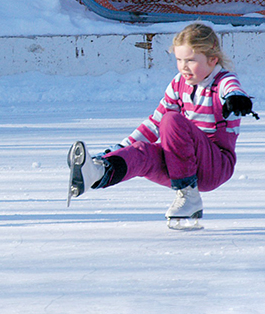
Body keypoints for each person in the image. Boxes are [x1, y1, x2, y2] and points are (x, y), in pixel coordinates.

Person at [66, 23, 256, 227]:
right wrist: (116, 150)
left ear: (212, 60)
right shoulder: (178, 83)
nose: (183, 66)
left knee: (172, 120)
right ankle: (99, 172)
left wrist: (236, 99)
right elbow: (154, 124)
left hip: (215, 165)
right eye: (179, 60)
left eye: (191, 60)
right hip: (184, 164)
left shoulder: (222, 81)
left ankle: (188, 194)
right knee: (142, 152)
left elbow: (232, 88)